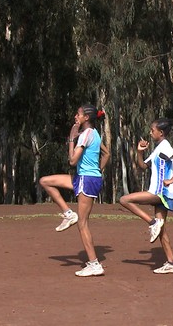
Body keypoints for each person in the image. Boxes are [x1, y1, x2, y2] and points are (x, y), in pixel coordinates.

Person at [39, 105, 110, 277]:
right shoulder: (94, 133)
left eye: (78, 114)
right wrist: (98, 172)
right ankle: (68, 213)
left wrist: (71, 140)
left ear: (86, 117)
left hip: (86, 180)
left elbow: (72, 161)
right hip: (83, 178)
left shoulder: (85, 135)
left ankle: (94, 264)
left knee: (83, 224)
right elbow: (106, 154)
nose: (75, 117)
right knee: (46, 181)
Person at [119, 118, 173, 274]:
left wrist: (172, 179)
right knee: (161, 229)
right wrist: (139, 152)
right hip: (161, 192)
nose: (150, 133)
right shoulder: (158, 149)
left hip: (161, 193)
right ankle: (172, 262)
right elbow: (143, 166)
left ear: (161, 132)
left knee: (124, 199)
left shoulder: (165, 147)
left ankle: (151, 222)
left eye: (152, 130)